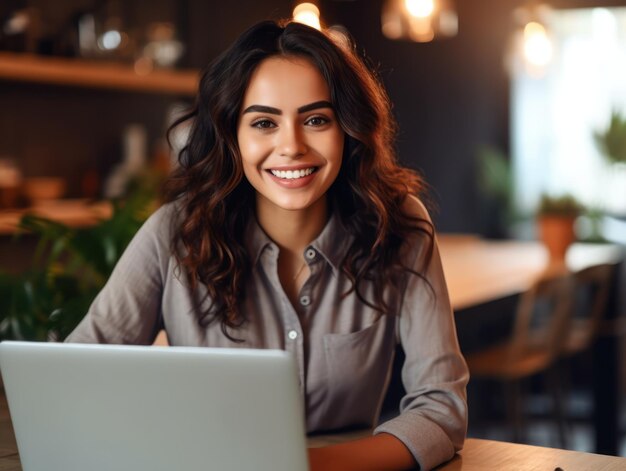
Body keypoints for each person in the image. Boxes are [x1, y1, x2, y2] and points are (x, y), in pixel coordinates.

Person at [67, 19, 468, 471]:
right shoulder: (174, 233)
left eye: (316, 119)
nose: (291, 146)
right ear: (231, 135)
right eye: (264, 122)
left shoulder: (398, 226)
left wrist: (305, 468)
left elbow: (441, 411)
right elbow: (74, 382)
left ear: (348, 129)